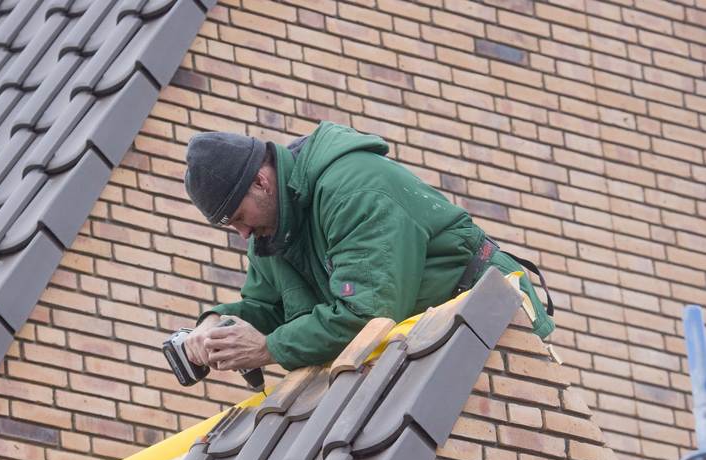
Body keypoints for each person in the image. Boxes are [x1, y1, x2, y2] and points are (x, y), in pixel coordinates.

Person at [181, 121, 554, 372]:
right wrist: (216, 325)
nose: (243, 234)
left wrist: (268, 349)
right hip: (431, 340)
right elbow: (266, 309)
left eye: (239, 217)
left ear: (262, 183)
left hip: (493, 319)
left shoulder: (352, 190)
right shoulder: (272, 233)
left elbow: (367, 312)